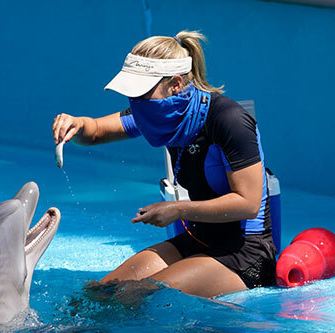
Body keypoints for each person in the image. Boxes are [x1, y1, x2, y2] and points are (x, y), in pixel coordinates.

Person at [51, 31, 276, 299]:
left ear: (176, 84)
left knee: (133, 297)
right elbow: (96, 130)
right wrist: (76, 124)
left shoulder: (229, 121)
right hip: (197, 239)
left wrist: (177, 210)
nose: (135, 103)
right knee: (97, 295)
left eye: (141, 92)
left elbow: (248, 204)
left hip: (245, 253)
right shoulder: (158, 111)